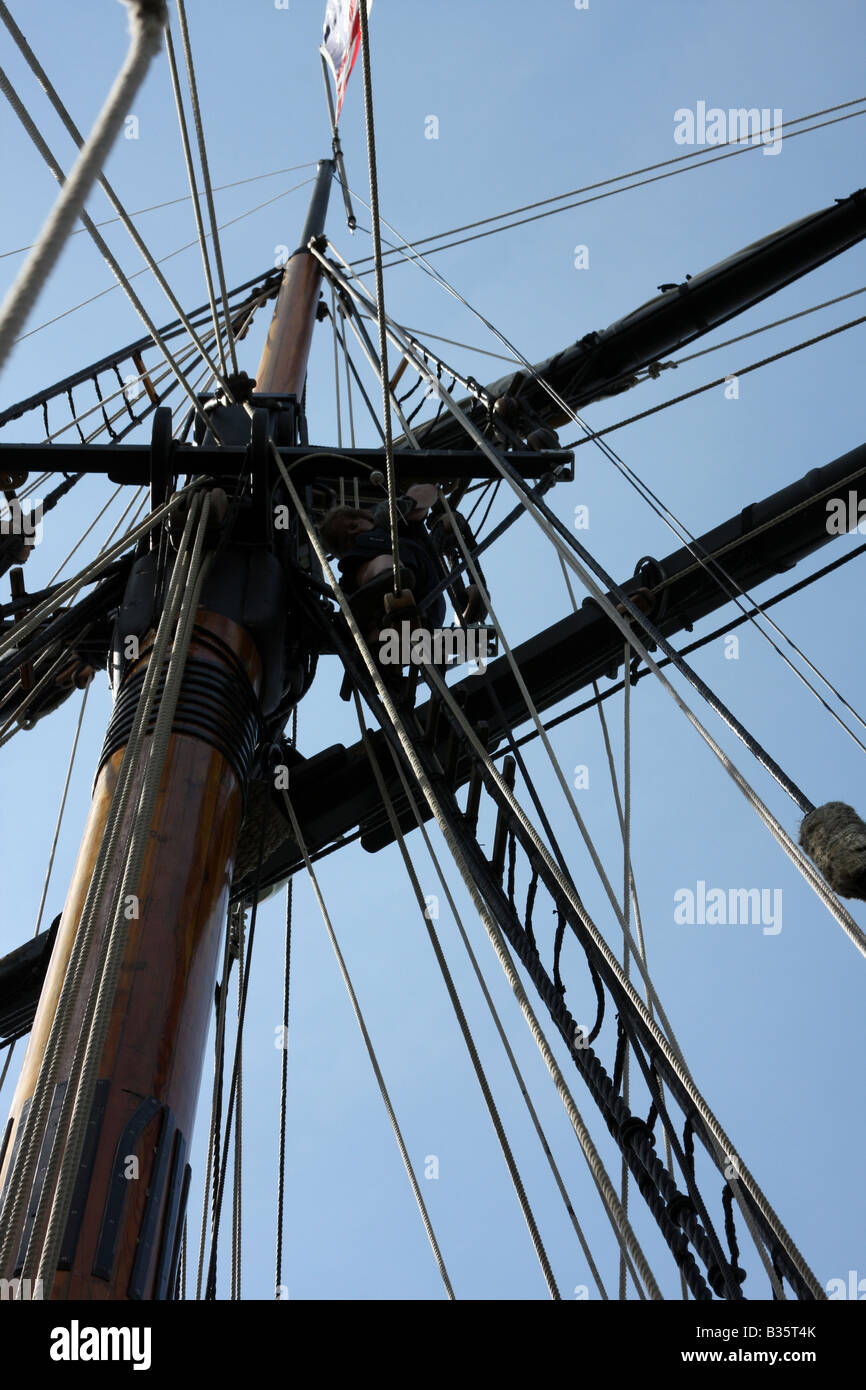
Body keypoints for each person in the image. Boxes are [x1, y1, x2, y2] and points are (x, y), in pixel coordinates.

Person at [320, 483, 448, 631]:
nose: (352, 534)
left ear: (366, 517)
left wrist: (405, 504)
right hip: (387, 619)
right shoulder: (352, 568)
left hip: (425, 604)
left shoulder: (392, 525)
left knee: (386, 562)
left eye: (353, 525)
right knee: (369, 566)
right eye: (345, 540)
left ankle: (389, 581)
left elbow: (430, 491)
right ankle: (384, 589)